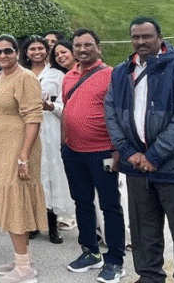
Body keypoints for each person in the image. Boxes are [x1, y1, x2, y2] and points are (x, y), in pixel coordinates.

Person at [106, 17, 174, 283]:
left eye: (147, 36)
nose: (141, 42)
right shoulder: (121, 72)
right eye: (135, 37)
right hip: (136, 166)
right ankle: (149, 277)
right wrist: (128, 152)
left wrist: (155, 155)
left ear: (160, 38)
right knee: (143, 230)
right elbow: (111, 113)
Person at [61, 29, 126, 283]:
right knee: (82, 202)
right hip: (73, 152)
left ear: (99, 47)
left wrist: (119, 149)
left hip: (103, 152)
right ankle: (90, 251)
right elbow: (67, 110)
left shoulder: (111, 75)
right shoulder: (69, 76)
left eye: (88, 44)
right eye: (78, 45)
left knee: (110, 205)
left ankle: (115, 259)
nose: (82, 49)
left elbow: (121, 113)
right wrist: (64, 144)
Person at [0, 35, 47, 283]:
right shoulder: (2, 76)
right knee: (11, 202)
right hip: (2, 149)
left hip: (18, 149)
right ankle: (23, 259)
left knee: (16, 204)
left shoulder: (25, 77)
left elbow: (34, 118)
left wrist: (24, 156)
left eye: (8, 51)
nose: (2, 55)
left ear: (18, 53)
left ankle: (24, 270)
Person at [20, 36, 71, 245]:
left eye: (40, 48)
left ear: (46, 50)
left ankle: (52, 225)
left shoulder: (57, 75)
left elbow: (66, 106)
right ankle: (32, 223)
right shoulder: (20, 73)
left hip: (49, 127)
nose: (36, 52)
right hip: (24, 127)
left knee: (50, 173)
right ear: (26, 52)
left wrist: (51, 107)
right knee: (31, 173)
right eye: (32, 49)